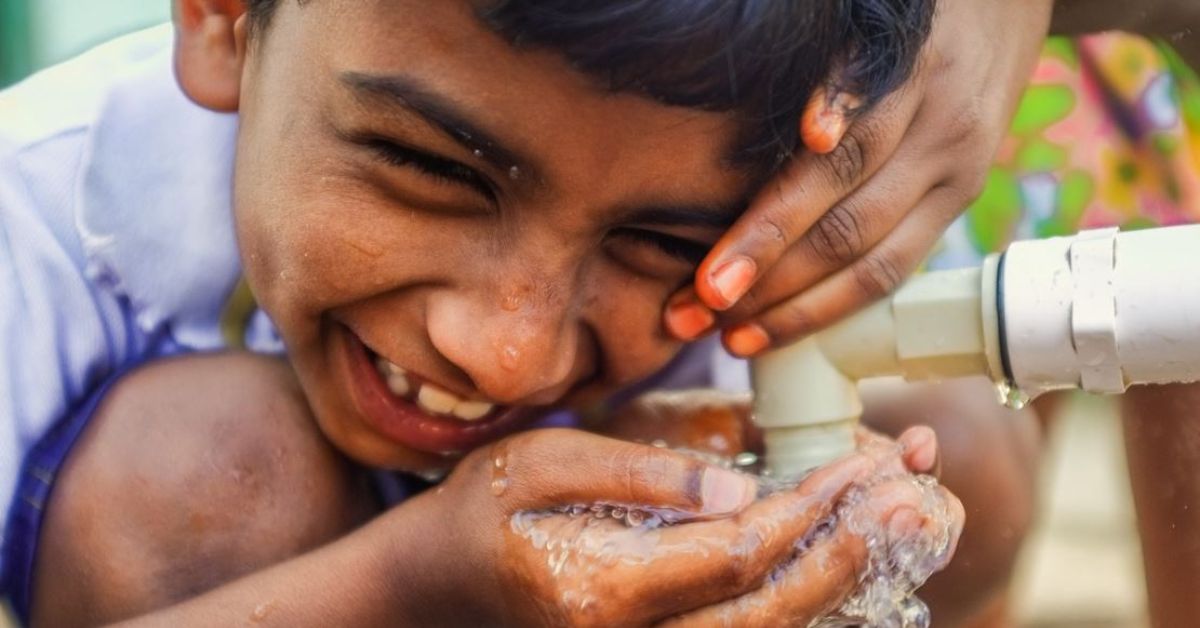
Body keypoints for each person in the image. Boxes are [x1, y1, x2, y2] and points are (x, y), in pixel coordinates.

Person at [0, 1, 963, 625]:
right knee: (216, 472)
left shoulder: (796, 207)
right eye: (429, 170)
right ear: (223, 17)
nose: (508, 356)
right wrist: (408, 586)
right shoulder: (28, 220)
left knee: (947, 450)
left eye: (665, 244)